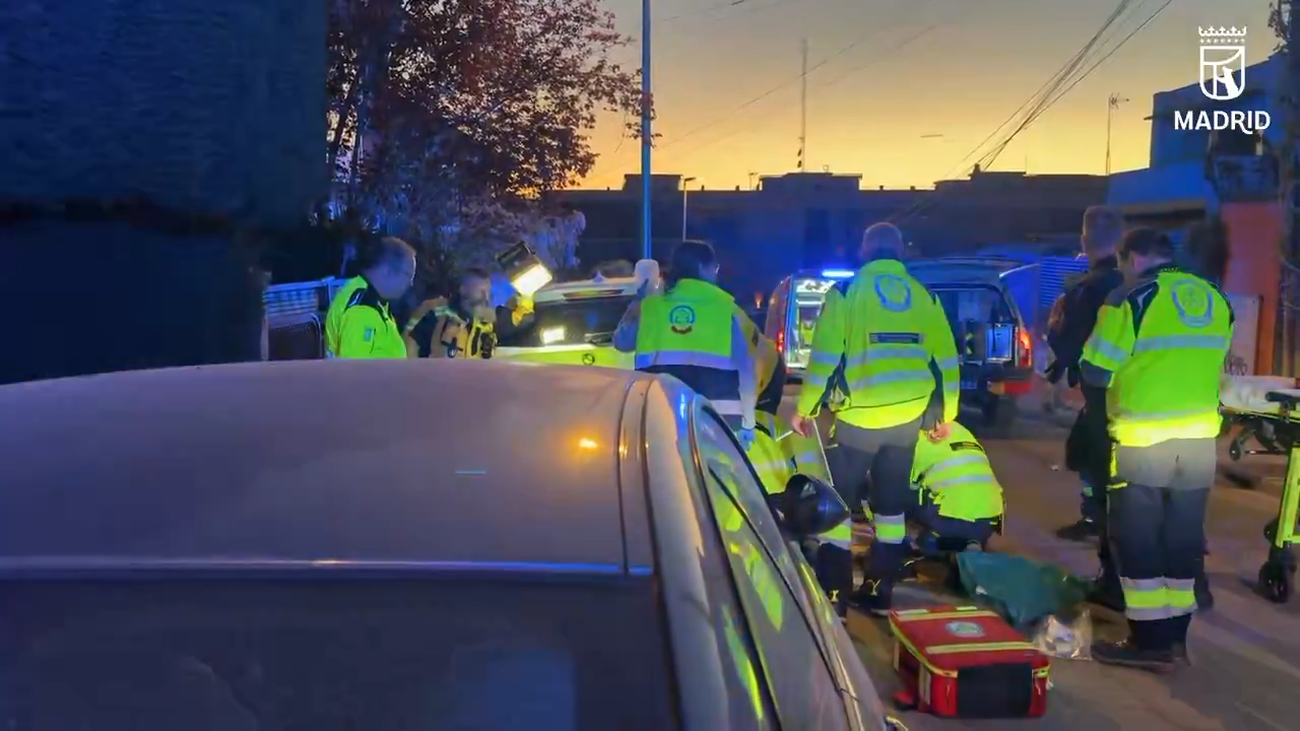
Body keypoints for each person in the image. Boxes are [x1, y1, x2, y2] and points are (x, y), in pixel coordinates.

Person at [1080, 227, 1232, 672]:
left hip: (1143, 442)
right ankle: (1176, 640)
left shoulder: (1130, 299)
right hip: (1200, 443)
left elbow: (1095, 370)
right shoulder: (1214, 299)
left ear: (1130, 257)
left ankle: (1148, 640)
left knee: (1137, 539)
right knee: (1182, 539)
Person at [791, 222, 961, 615]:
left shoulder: (847, 294)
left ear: (864, 252)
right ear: (900, 252)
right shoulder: (924, 297)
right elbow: (947, 361)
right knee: (890, 507)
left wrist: (806, 408)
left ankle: (835, 597)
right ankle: (880, 591)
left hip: (858, 421)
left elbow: (825, 358)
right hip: (907, 418)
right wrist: (947, 414)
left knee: (838, 505)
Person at [1046, 206, 1127, 611]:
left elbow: (1066, 344)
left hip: (1107, 398)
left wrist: (1056, 321)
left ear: (1084, 241)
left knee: (1095, 461)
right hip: (1153, 401)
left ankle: (1112, 578)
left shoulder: (1090, 288)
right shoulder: (1142, 286)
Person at [613, 240, 758, 446]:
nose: (715, 274)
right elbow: (747, 370)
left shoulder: (650, 306)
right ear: (701, 267)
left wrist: (638, 301)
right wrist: (748, 423)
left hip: (662, 414)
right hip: (718, 421)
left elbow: (621, 341)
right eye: (714, 268)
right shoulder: (727, 309)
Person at [908, 420, 1004, 553]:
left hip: (949, 518)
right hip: (989, 520)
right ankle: (971, 542)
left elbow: (896, 486)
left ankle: (933, 539)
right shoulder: (956, 427)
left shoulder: (907, 432)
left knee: (893, 485)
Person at [324, 237, 416, 358]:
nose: (410, 283)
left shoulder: (376, 300)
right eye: (408, 275)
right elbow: (356, 372)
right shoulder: (362, 309)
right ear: (388, 271)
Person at [404, 268, 501, 359]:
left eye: (488, 292)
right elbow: (410, 342)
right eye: (481, 291)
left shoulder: (483, 323)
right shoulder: (436, 311)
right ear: (463, 290)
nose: (486, 298)